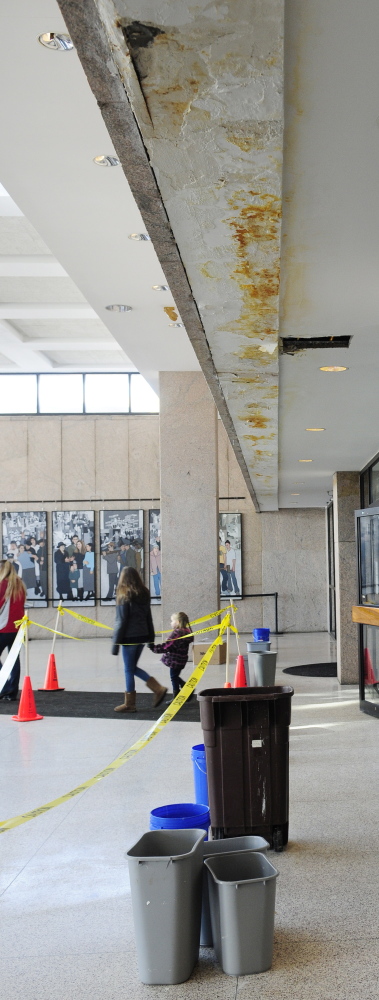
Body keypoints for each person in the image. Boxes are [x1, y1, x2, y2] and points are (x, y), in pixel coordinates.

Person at [112, 567, 167, 713]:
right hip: (142, 635)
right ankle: (157, 688)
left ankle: (131, 703)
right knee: (132, 667)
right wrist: (151, 638)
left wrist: (115, 643)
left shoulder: (123, 594)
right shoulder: (144, 593)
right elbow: (148, 617)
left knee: (129, 670)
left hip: (129, 638)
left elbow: (121, 621)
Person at [150, 612, 194, 698]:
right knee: (175, 676)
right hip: (182, 659)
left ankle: (176, 696)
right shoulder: (186, 631)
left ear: (177, 622)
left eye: (172, 621)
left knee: (173, 677)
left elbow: (167, 646)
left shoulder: (177, 633)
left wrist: (153, 648)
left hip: (175, 660)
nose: (171, 623)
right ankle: (186, 689)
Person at [0, 560, 27, 702]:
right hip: (18, 628)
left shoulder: (3, 584)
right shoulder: (20, 584)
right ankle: (12, 691)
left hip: (4, 627)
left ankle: (3, 686)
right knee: (14, 659)